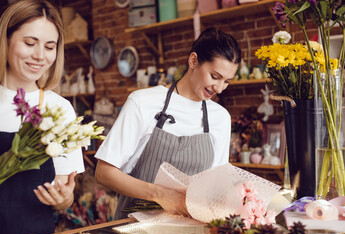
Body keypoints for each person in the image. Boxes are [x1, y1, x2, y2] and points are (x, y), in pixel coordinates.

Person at [95, 28, 241, 219]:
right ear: (193, 61)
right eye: (215, 76)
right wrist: (160, 195)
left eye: (226, 81)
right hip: (134, 229)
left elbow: (216, 184)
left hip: (190, 229)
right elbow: (104, 173)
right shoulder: (143, 102)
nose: (220, 88)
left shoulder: (220, 118)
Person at [0, 0, 84, 234]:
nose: (39, 56)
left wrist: (63, 198)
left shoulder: (59, 110)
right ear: (5, 40)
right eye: (29, 43)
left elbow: (65, 195)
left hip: (33, 233)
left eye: (49, 47)